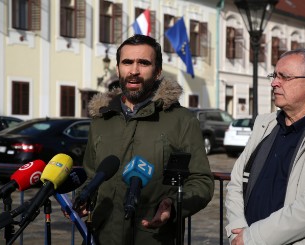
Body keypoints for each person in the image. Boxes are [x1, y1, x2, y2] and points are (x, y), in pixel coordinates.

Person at [76, 34, 214, 245]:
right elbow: (91, 175)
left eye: (144, 63)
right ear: (118, 68)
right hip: (102, 237)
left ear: (157, 71)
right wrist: (84, 197)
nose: (134, 71)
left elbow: (201, 181)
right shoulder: (101, 120)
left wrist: (174, 205)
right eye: (127, 62)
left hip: (154, 238)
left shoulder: (182, 120)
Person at [225, 48, 305, 245]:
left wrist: (253, 237)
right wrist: (237, 231)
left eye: (284, 77)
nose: (274, 83)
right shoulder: (263, 125)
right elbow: (235, 183)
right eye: (274, 75)